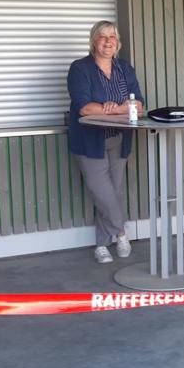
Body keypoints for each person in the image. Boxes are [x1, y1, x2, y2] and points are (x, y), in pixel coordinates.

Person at [67, 20, 144, 264]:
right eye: (103, 36)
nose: (108, 41)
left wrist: (108, 110)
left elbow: (139, 106)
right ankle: (121, 233)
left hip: (119, 139)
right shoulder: (80, 68)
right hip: (90, 141)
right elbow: (84, 108)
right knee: (102, 192)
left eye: (112, 36)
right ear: (93, 41)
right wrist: (119, 109)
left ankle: (102, 243)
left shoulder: (124, 69)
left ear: (118, 42)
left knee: (114, 191)